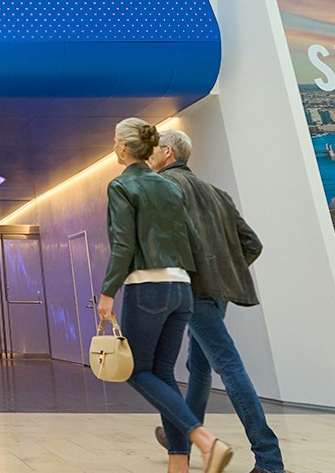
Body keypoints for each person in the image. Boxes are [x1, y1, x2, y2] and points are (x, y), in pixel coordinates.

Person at [98, 118, 233, 473]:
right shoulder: (169, 187)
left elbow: (123, 244)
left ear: (126, 148)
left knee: (136, 371)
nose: (113, 147)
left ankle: (204, 439)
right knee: (163, 374)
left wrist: (107, 292)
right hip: (181, 290)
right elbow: (193, 239)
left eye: (115, 141)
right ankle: (178, 464)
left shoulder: (121, 186)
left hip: (147, 289)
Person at [149, 129, 286, 473]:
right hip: (217, 293)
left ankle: (269, 460)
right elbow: (251, 244)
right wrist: (221, 273)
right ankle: (183, 435)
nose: (149, 156)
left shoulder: (165, 188)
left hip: (191, 291)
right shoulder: (218, 194)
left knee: (228, 366)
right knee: (200, 367)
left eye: (153, 150)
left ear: (167, 152)